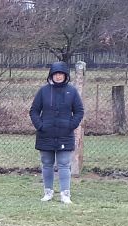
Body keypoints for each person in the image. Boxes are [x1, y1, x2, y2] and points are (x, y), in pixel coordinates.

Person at [29, 61, 84, 204]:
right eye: (56, 74)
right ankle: (48, 192)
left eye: (61, 74)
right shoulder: (43, 91)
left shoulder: (72, 92)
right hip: (45, 134)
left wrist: (71, 125)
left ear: (65, 76)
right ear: (51, 75)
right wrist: (40, 126)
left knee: (64, 164)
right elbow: (34, 111)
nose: (58, 76)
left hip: (65, 135)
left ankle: (65, 195)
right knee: (47, 163)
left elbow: (79, 111)